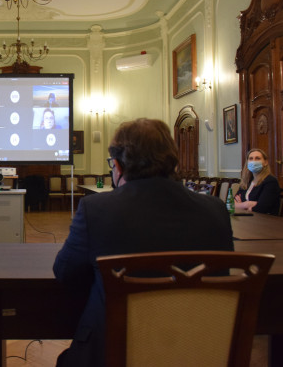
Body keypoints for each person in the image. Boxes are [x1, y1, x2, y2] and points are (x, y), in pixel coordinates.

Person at [53, 118, 233, 367]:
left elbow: (65, 272)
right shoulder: (216, 209)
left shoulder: (96, 209)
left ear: (117, 166)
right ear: (173, 160)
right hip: (198, 350)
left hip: (115, 353)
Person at [234, 148, 281, 215]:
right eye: (251, 158)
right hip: (247, 217)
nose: (253, 161)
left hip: (264, 220)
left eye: (257, 158)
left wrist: (240, 205)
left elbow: (260, 208)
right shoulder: (248, 181)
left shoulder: (270, 181)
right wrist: (246, 204)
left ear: (265, 162)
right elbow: (232, 202)